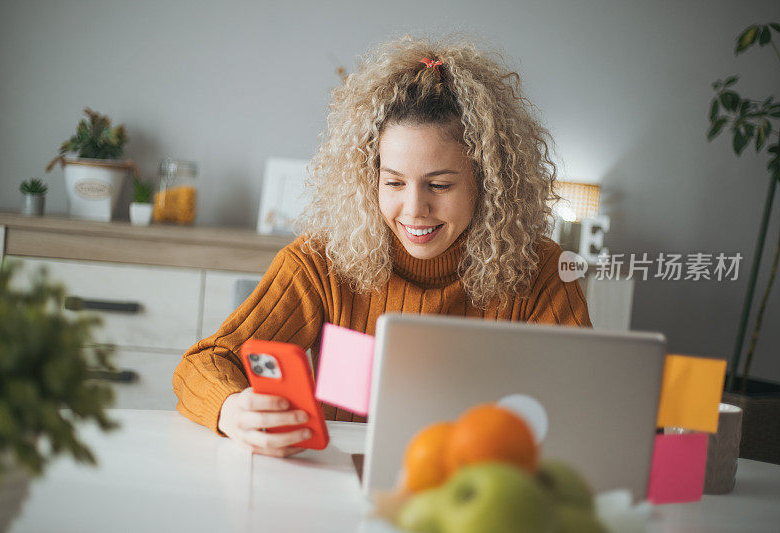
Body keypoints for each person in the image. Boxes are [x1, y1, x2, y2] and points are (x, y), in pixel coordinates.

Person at [173, 35, 592, 458]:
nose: (414, 209)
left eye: (440, 185)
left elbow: (585, 404)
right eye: (393, 182)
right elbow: (205, 361)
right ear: (369, 177)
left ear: (488, 181)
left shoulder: (540, 270)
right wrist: (232, 409)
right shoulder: (320, 262)